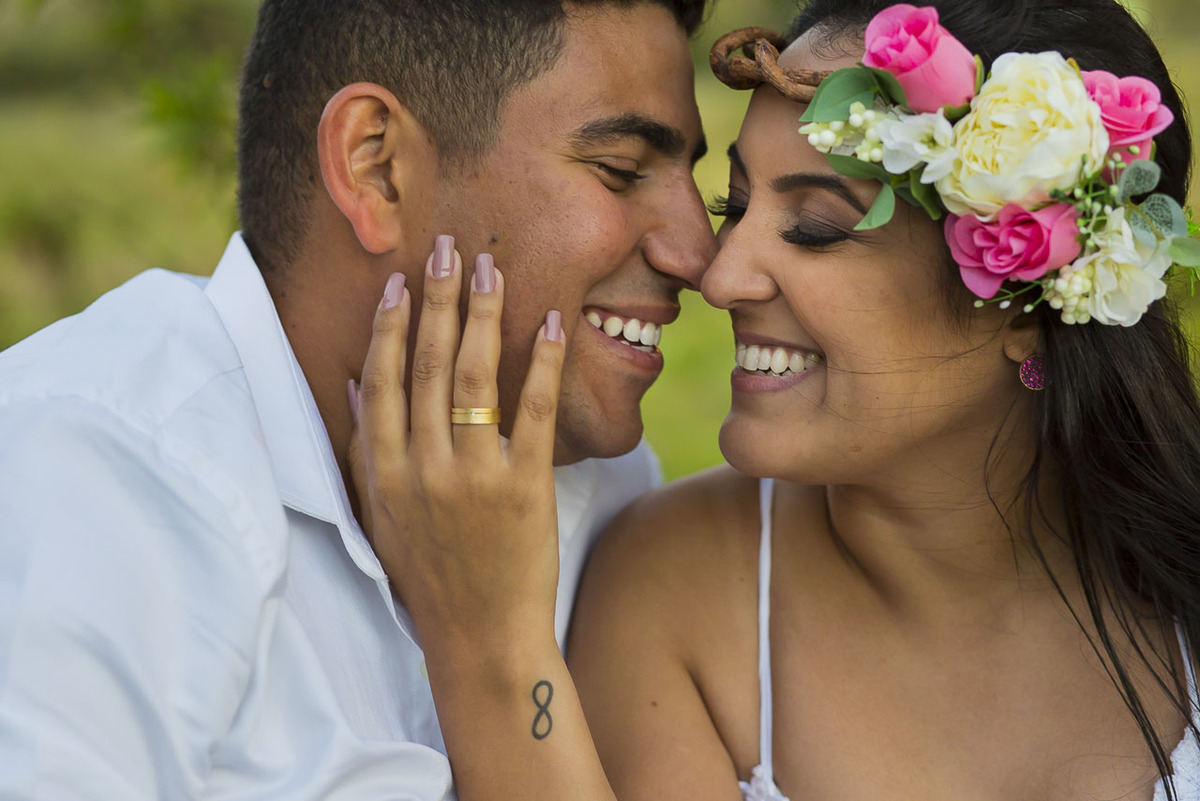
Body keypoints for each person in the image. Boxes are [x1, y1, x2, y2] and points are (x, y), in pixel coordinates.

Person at [349, 0, 1200, 799]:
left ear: (1025, 299)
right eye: (737, 206)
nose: (718, 276)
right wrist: (494, 642)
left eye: (815, 228)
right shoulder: (672, 591)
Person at [0, 0, 714, 798]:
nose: (698, 254)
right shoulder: (93, 475)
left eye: (699, 184)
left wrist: (497, 645)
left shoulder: (602, 490)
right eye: (620, 169)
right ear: (375, 166)